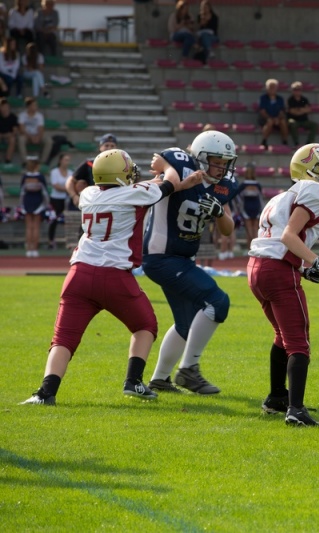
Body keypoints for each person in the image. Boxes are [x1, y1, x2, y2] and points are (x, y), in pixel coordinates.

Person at [20, 149, 203, 406]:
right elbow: (167, 183)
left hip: (79, 275)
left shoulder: (88, 194)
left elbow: (140, 190)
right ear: (121, 175)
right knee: (145, 325)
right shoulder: (133, 193)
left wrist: (181, 184)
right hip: (114, 276)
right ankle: (134, 382)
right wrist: (166, 164)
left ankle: (45, 393)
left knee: (63, 339)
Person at [247, 143, 319, 426]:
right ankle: (295, 410)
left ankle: (277, 396)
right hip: (276, 270)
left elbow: (276, 241)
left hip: (258, 268)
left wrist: (302, 269)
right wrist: (316, 261)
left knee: (282, 335)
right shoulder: (315, 191)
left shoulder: (282, 196)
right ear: (311, 171)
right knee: (298, 342)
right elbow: (289, 237)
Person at [143, 130, 239, 395]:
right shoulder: (182, 164)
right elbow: (160, 163)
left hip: (182, 259)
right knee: (218, 301)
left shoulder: (224, 185)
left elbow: (228, 230)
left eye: (225, 162)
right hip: (162, 256)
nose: (222, 167)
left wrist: (219, 213)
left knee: (185, 323)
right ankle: (188, 370)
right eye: (217, 160)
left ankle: (160, 379)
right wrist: (164, 169)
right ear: (200, 157)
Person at [66, 133, 117, 209]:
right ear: (100, 147)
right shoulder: (90, 163)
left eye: (112, 146)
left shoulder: (121, 165)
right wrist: (74, 196)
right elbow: (70, 181)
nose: (109, 148)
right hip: (92, 202)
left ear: (116, 148)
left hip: (112, 202)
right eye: (106, 145)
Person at [19, 155, 47, 257]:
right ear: (37, 165)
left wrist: (21, 205)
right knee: (36, 227)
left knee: (28, 227)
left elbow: (22, 193)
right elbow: (44, 193)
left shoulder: (25, 177)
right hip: (37, 202)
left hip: (27, 202)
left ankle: (29, 249)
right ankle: (34, 250)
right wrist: (45, 204)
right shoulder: (40, 177)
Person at [17, 96, 52, 162]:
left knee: (49, 141)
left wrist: (38, 137)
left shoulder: (39, 116)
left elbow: (41, 129)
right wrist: (30, 137)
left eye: (36, 105)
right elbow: (21, 129)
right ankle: (25, 162)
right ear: (29, 106)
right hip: (27, 136)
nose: (36, 107)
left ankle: (42, 162)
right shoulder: (22, 115)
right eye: (34, 105)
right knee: (21, 139)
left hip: (37, 135)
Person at [47, 151, 69, 249]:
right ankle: (51, 241)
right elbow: (56, 186)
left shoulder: (70, 173)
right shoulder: (54, 172)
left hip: (66, 199)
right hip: (55, 199)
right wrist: (68, 189)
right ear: (60, 161)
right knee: (54, 220)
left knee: (67, 221)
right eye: (65, 160)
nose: (67, 162)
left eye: (68, 160)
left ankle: (68, 241)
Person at [237, 161, 262, 249]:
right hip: (256, 207)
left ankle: (250, 248)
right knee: (255, 229)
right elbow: (260, 198)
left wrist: (239, 209)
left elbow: (238, 198)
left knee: (249, 230)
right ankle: (256, 248)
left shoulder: (243, 185)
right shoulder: (257, 185)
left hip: (246, 208)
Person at [286, 81, 319, 147]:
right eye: (295, 89)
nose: (297, 91)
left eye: (299, 89)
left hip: (304, 120)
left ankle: (309, 142)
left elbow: (309, 109)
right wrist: (302, 110)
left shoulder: (304, 99)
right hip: (293, 120)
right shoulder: (290, 100)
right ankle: (296, 143)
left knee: (315, 125)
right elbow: (292, 111)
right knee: (292, 124)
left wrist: (298, 110)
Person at [258, 78, 288, 148]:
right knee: (270, 121)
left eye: (273, 87)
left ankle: (285, 140)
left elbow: (281, 111)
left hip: (277, 118)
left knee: (283, 122)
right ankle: (264, 140)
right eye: (270, 87)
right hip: (265, 119)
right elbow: (262, 111)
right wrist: (270, 118)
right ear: (267, 88)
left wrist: (277, 118)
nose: (272, 89)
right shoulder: (263, 98)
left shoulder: (280, 99)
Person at [0, 97, 18, 163]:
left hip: (9, 136)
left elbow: (15, 131)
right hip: (1, 135)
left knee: (12, 139)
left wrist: (7, 135)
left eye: (6, 106)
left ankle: (8, 160)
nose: (4, 108)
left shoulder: (13, 117)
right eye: (2, 107)